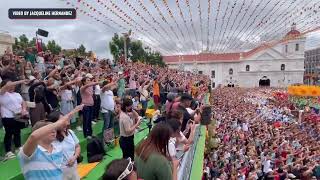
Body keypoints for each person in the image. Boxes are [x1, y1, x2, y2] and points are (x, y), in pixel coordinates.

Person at [18, 105, 83, 180]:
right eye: (50, 129)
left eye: (54, 129)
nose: (53, 131)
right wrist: (69, 114)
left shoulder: (57, 149)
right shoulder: (30, 153)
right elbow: (33, 137)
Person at [0, 79, 29, 160]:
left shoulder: (16, 94)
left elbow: (23, 102)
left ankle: (18, 147)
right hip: (7, 117)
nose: (12, 86)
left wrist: (23, 110)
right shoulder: (2, 93)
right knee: (9, 133)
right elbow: (6, 86)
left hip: (18, 116)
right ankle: (8, 151)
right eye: (11, 85)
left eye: (13, 85)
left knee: (17, 132)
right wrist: (21, 81)